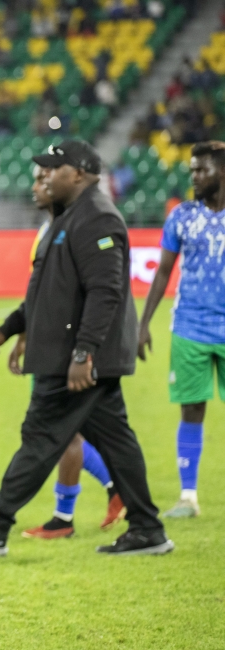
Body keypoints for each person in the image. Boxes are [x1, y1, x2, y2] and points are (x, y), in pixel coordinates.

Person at [0, 140, 171, 556]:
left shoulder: (96, 218)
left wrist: (84, 353)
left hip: (75, 359)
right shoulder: (67, 219)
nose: (43, 176)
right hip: (73, 355)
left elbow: (107, 292)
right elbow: (46, 295)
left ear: (79, 172)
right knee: (116, 440)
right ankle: (148, 529)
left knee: (41, 435)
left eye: (52, 168)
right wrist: (8, 329)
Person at [9, 164, 125, 539]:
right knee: (74, 432)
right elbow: (41, 297)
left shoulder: (75, 229)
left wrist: (80, 351)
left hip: (66, 350)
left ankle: (63, 517)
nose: (37, 187)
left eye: (44, 180)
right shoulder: (50, 231)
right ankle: (114, 488)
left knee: (62, 434)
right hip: (54, 346)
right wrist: (22, 336)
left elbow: (93, 292)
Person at [137, 140, 225, 518]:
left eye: (201, 170)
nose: (194, 176)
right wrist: (143, 323)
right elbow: (163, 273)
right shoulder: (182, 216)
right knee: (191, 410)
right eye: (192, 170)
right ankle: (188, 497)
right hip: (189, 325)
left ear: (221, 172)